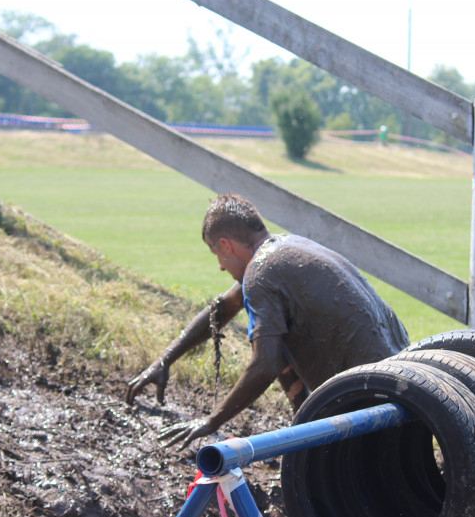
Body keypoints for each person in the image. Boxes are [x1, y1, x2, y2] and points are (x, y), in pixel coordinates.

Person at [125, 193, 410, 450]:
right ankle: (308, 435)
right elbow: (224, 307)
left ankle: (315, 446)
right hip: (405, 389)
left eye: (216, 253)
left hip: (370, 407)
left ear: (226, 245)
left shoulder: (261, 274)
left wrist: (211, 422)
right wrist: (164, 361)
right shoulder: (285, 249)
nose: (220, 266)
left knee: (274, 345)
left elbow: (266, 365)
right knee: (277, 335)